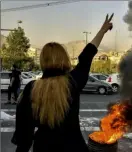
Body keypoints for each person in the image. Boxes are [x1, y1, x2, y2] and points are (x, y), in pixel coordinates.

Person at [11, 14, 114, 152]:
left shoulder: (31, 89)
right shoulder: (72, 82)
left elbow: (24, 137)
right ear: (64, 59)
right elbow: (86, 56)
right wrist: (102, 31)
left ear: (42, 61)